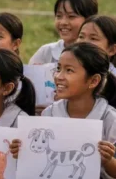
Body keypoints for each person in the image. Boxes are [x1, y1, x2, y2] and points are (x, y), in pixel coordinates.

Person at [10, 42, 116, 177]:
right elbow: (41, 161)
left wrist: (108, 160)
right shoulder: (50, 113)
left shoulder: (110, 118)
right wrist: (23, 152)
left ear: (93, 81)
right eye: (58, 68)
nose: (58, 76)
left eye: (69, 70)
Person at [29, 0, 98, 65]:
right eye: (59, 16)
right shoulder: (46, 52)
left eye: (71, 16)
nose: (63, 22)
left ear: (89, 19)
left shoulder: (97, 53)